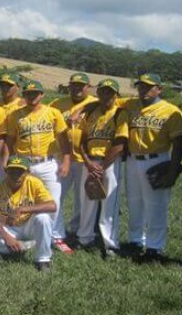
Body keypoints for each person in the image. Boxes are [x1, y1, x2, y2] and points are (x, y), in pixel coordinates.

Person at [121, 73, 182, 260]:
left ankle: (154, 247)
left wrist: (173, 170)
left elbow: (178, 143)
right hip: (132, 160)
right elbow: (103, 99)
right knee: (134, 202)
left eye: (148, 87)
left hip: (157, 159)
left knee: (156, 205)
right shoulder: (130, 104)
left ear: (159, 89)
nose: (143, 90)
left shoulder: (171, 111)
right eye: (140, 87)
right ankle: (135, 240)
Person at [6, 80, 72, 252]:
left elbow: (64, 139)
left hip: (47, 162)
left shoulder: (53, 113)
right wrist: (7, 163)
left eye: (35, 93)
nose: (32, 96)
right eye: (28, 93)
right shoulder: (15, 115)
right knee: (24, 199)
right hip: (23, 164)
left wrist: (66, 160)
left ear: (42, 95)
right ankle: (32, 232)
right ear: (24, 95)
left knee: (53, 200)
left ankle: (56, 237)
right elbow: (9, 141)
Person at [0, 155, 56, 272]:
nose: (16, 176)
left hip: (28, 225)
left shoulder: (34, 183)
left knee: (44, 218)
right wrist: (7, 238)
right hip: (8, 228)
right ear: (6, 171)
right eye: (12, 171)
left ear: (27, 172)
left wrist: (22, 209)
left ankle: (43, 259)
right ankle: (20, 246)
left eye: (20, 172)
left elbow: (52, 206)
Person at [76, 79, 128, 256]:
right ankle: (84, 238)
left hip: (110, 164)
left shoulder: (120, 113)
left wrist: (101, 167)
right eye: (103, 91)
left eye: (110, 92)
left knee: (109, 204)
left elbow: (120, 144)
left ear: (116, 95)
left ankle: (110, 244)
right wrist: (88, 163)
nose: (106, 95)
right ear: (97, 93)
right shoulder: (91, 113)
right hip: (90, 162)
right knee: (87, 200)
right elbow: (81, 141)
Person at [50, 73, 97, 240]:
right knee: (55, 195)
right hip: (61, 157)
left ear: (88, 87)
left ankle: (76, 229)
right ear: (69, 86)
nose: (77, 88)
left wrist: (81, 109)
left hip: (85, 159)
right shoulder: (58, 103)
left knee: (82, 198)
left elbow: (111, 102)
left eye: (81, 85)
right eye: (74, 85)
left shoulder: (94, 103)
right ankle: (53, 228)